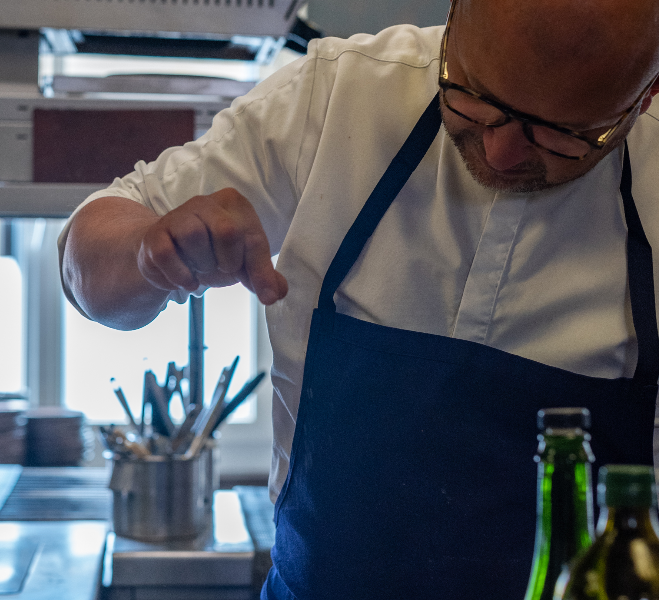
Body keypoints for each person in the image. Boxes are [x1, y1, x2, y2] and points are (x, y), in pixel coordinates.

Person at [59, 0, 659, 597]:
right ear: (454, 18)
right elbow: (86, 261)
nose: (500, 154)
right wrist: (147, 252)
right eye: (473, 96)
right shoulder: (335, 98)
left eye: (562, 136)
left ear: (645, 96)